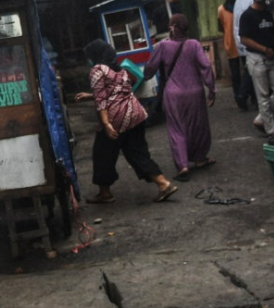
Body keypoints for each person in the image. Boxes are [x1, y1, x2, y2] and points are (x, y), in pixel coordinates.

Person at [74, 39, 179, 204]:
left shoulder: (97, 70)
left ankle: (105, 193)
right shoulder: (119, 69)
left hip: (116, 119)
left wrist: (106, 124)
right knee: (137, 152)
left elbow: (103, 100)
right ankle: (164, 184)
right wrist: (90, 95)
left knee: (102, 154)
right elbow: (117, 91)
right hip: (135, 114)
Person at [143, 14, 216, 180]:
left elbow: (149, 69)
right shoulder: (194, 44)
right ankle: (199, 159)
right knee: (198, 126)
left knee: (177, 128)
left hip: (173, 94)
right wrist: (211, 89)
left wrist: (146, 76)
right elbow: (206, 67)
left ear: (172, 28)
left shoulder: (163, 46)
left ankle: (182, 165)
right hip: (195, 93)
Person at [239, 0, 274, 138]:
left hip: (272, 58)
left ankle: (261, 118)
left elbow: (270, 34)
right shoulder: (247, 15)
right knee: (263, 95)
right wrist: (263, 49)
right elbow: (244, 39)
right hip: (257, 58)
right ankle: (271, 130)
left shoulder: (268, 13)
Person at [232, 0, 271, 109]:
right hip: (251, 42)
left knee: (249, 71)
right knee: (252, 72)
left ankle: (245, 97)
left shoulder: (239, 0)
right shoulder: (251, 2)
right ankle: (244, 96)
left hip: (241, 41)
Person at [217, 0, 245, 111]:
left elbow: (220, 27)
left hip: (237, 43)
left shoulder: (222, 9)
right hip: (239, 43)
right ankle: (243, 97)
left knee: (239, 74)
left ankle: (241, 98)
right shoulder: (226, 9)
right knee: (243, 73)